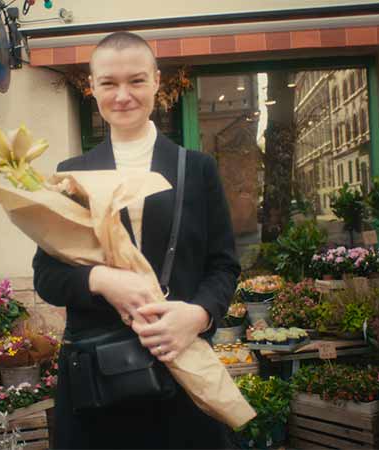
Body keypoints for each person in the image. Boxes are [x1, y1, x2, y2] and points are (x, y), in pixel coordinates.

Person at [32, 31, 240, 449]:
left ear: (157, 82)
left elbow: (224, 265)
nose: (123, 95)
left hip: (180, 370)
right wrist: (103, 282)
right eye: (109, 83)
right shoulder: (71, 175)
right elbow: (47, 277)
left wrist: (198, 316)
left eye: (136, 80)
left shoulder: (196, 169)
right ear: (92, 87)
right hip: (97, 380)